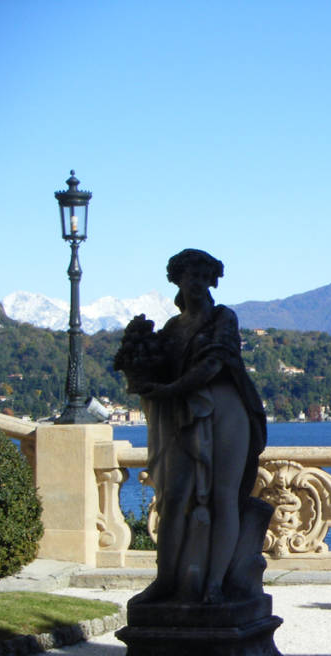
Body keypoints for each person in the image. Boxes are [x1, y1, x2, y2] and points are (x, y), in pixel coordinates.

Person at [122, 249, 267, 605]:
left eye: (205, 277)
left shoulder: (222, 318)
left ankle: (215, 583)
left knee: (224, 497)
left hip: (226, 410)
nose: (199, 284)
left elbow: (215, 363)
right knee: (173, 498)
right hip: (183, 413)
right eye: (192, 277)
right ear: (178, 280)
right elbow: (160, 371)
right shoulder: (172, 329)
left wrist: (170, 389)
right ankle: (166, 580)